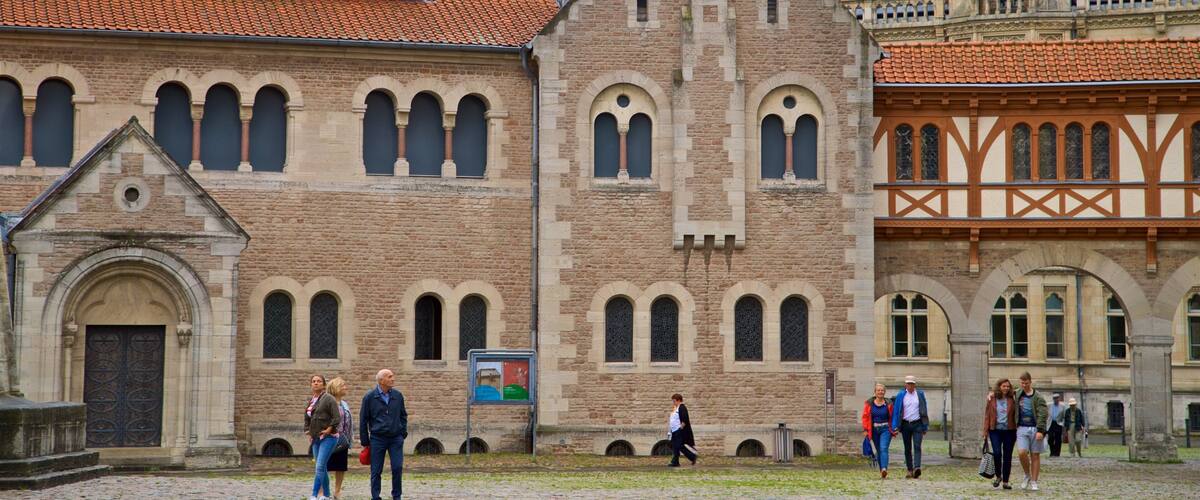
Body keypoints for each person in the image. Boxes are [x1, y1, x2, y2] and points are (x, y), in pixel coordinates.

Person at [360, 369, 408, 500]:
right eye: (390, 376)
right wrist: (365, 442)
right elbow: (363, 419)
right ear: (381, 380)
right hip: (377, 439)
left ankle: (396, 496)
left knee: (397, 467)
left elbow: (403, 415)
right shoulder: (369, 397)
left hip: (395, 438)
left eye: (393, 376)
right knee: (376, 470)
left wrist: (402, 432)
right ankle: (375, 496)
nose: (393, 378)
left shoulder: (398, 395)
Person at [304, 374, 340, 500]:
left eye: (319, 381)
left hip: (329, 438)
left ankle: (314, 494)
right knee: (321, 467)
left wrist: (329, 430)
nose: (316, 383)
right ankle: (326, 494)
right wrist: (307, 431)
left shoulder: (329, 399)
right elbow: (307, 417)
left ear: (324, 385)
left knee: (319, 466)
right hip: (315, 438)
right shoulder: (311, 399)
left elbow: (337, 417)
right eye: (313, 381)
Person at [1014, 372, 1048, 491]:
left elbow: (1043, 414)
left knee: (1035, 455)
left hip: (1035, 428)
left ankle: (1034, 480)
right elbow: (1003, 394)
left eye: (1026, 383)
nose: (1024, 385)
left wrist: (1040, 430)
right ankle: (1027, 474)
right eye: (1022, 383)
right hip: (1022, 427)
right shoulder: (1017, 393)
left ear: (1030, 382)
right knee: (1022, 452)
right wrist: (992, 393)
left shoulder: (1038, 396)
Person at [891, 375, 928, 479]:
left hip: (918, 424)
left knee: (917, 446)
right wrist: (895, 426)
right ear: (905, 385)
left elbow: (924, 409)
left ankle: (917, 467)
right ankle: (909, 469)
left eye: (912, 384)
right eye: (908, 384)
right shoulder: (901, 395)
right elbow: (897, 411)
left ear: (915, 385)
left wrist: (925, 426)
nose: (910, 386)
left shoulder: (920, 394)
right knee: (907, 448)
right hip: (906, 424)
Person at [983, 378, 1018, 489]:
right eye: (1004, 386)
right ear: (999, 387)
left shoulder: (1013, 398)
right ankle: (998, 476)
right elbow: (987, 415)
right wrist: (985, 431)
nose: (1006, 388)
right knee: (997, 453)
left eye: (1008, 386)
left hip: (1009, 431)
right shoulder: (992, 398)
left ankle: (1006, 481)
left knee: (1007, 456)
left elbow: (1022, 389)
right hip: (995, 430)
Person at [326, 377, 353, 500]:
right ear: (336, 388)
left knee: (341, 467)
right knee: (324, 466)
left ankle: (337, 492)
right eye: (343, 385)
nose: (345, 387)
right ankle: (323, 491)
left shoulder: (344, 403)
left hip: (343, 440)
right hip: (329, 439)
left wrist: (349, 439)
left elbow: (349, 422)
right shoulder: (327, 402)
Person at [861, 383, 895, 478]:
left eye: (882, 390)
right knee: (879, 450)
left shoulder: (889, 404)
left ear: (884, 392)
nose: (880, 392)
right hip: (874, 430)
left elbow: (893, 417)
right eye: (878, 390)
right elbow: (865, 417)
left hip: (886, 429)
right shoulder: (869, 404)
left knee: (884, 448)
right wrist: (865, 429)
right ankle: (882, 471)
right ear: (875, 392)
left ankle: (884, 468)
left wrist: (894, 428)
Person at [668, 394, 697, 467]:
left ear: (678, 400)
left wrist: (680, 428)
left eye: (674, 401)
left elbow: (685, 419)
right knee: (675, 446)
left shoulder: (682, 407)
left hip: (678, 430)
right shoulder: (675, 408)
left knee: (679, 446)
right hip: (674, 430)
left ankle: (692, 457)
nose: (673, 402)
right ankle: (675, 462)